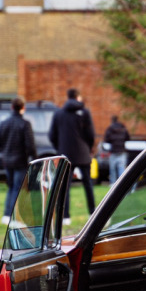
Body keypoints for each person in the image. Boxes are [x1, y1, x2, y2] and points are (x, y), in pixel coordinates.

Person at [48, 88, 95, 223]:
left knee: (65, 187)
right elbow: (90, 134)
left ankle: (65, 217)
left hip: (66, 154)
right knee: (88, 184)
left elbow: (52, 135)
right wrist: (88, 148)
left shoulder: (58, 114)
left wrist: (60, 148)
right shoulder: (85, 113)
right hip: (83, 154)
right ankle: (92, 212)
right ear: (78, 97)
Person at [0, 97, 36, 223]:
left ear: (12, 107)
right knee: (18, 188)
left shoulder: (4, 123)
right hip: (20, 161)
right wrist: (34, 157)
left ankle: (6, 215)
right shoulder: (25, 124)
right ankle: (13, 217)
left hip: (7, 161)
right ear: (23, 108)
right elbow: (30, 145)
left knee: (11, 187)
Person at [102, 115, 131, 183]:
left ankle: (113, 184)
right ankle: (122, 183)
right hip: (122, 151)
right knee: (121, 169)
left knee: (113, 170)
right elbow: (128, 138)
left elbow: (106, 139)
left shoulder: (109, 129)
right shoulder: (123, 128)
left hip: (113, 151)